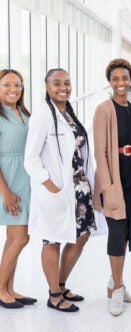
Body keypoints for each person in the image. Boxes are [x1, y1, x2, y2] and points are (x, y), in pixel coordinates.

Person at [24, 68, 102, 312]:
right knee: (52, 240)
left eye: (67, 83)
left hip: (79, 188)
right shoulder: (42, 115)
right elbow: (31, 158)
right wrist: (51, 186)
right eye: (57, 83)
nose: (63, 87)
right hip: (57, 190)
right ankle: (54, 294)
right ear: (47, 87)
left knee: (82, 234)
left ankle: (60, 283)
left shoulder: (67, 111)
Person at [93, 59, 131, 317]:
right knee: (115, 232)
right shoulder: (103, 109)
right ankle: (118, 289)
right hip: (113, 177)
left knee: (125, 233)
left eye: (125, 78)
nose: (120, 83)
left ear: (130, 80)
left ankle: (115, 281)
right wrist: (108, 186)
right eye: (115, 79)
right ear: (109, 82)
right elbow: (100, 153)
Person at [0, 69, 36, 309]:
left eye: (18, 85)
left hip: (26, 178)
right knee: (20, 237)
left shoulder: (23, 111)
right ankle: (0, 288)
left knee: (16, 237)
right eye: (7, 85)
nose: (14, 89)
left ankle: (9, 288)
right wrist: (6, 192)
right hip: (9, 180)